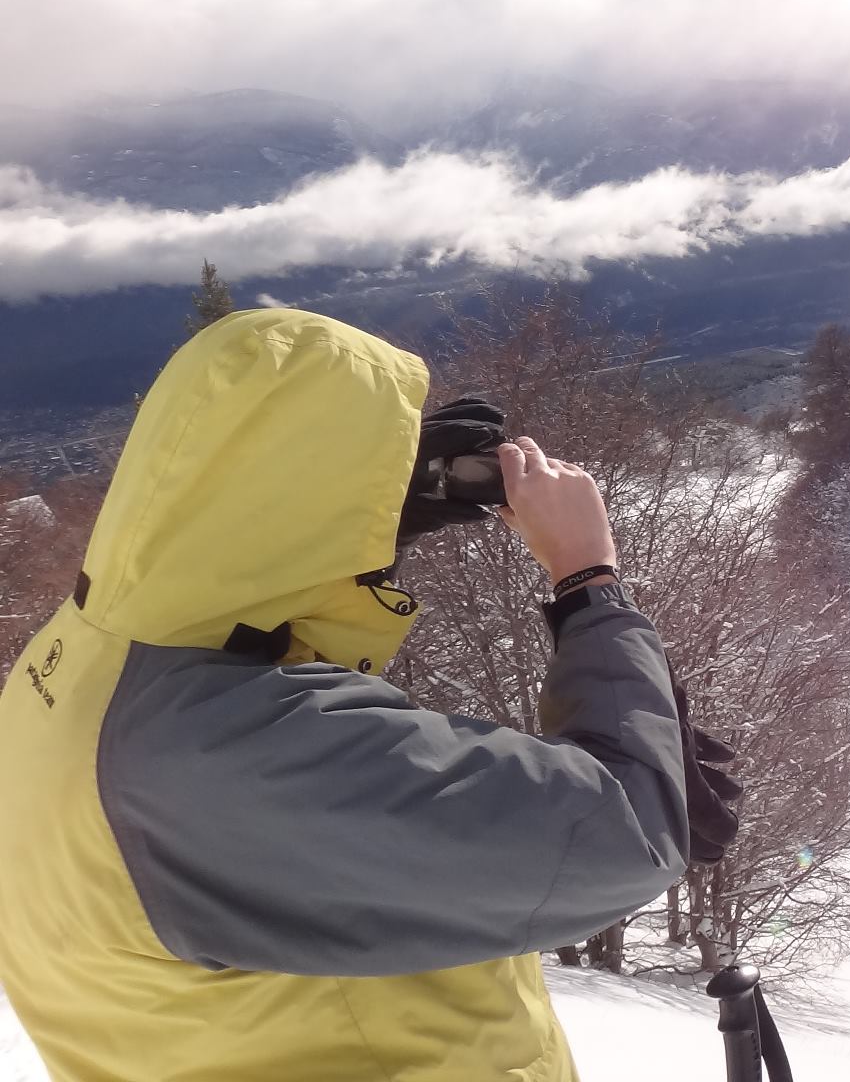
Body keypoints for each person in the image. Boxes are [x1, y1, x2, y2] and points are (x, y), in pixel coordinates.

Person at [0, 308, 725, 1081]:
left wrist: (378, 525)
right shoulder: (215, 751)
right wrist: (588, 578)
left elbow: (243, 626)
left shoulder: (76, 660)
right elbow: (623, 836)